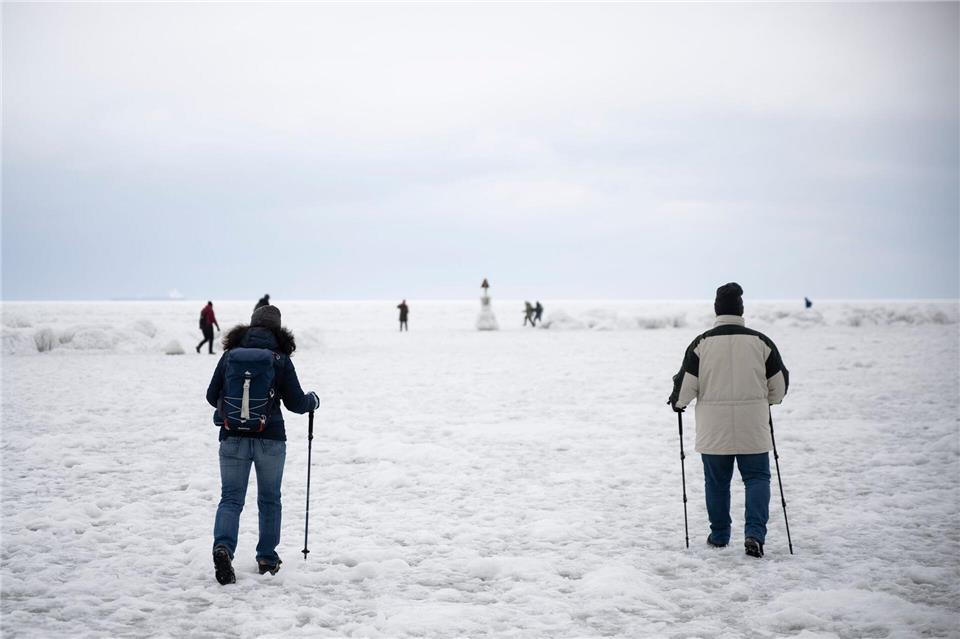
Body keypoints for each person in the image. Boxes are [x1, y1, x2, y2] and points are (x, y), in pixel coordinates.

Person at [667, 283, 789, 558]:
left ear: (716, 310)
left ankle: (720, 535)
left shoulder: (702, 343)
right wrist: (769, 401)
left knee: (717, 481)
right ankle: (754, 534)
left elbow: (686, 385)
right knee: (757, 478)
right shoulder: (761, 342)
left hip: (714, 428)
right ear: (741, 310)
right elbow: (778, 385)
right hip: (753, 425)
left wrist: (678, 403)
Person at [206, 304, 320, 585]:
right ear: (278, 329)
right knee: (270, 499)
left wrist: (227, 407)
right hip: (270, 439)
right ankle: (267, 558)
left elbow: (211, 395)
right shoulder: (279, 358)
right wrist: (312, 401)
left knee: (231, 498)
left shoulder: (230, 356)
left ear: (251, 325)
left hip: (232, 437)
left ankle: (223, 548)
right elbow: (295, 403)